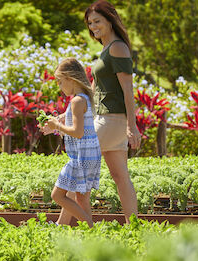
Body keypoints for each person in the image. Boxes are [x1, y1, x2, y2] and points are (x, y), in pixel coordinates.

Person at [57, 0, 141, 225]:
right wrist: (65, 115)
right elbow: (94, 89)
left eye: (97, 21)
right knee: (120, 176)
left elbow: (127, 89)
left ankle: (63, 225)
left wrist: (131, 126)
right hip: (107, 119)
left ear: (110, 20)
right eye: (90, 23)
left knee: (79, 166)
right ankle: (133, 227)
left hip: (111, 120)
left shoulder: (117, 48)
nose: (93, 27)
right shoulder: (107, 48)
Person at [39, 57, 101, 227]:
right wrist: (55, 125)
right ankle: (91, 233)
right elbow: (76, 127)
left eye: (60, 82)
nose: (60, 87)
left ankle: (89, 225)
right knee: (82, 199)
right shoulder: (83, 99)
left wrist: (57, 125)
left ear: (70, 78)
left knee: (57, 195)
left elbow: (77, 132)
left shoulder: (76, 101)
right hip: (90, 155)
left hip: (81, 158)